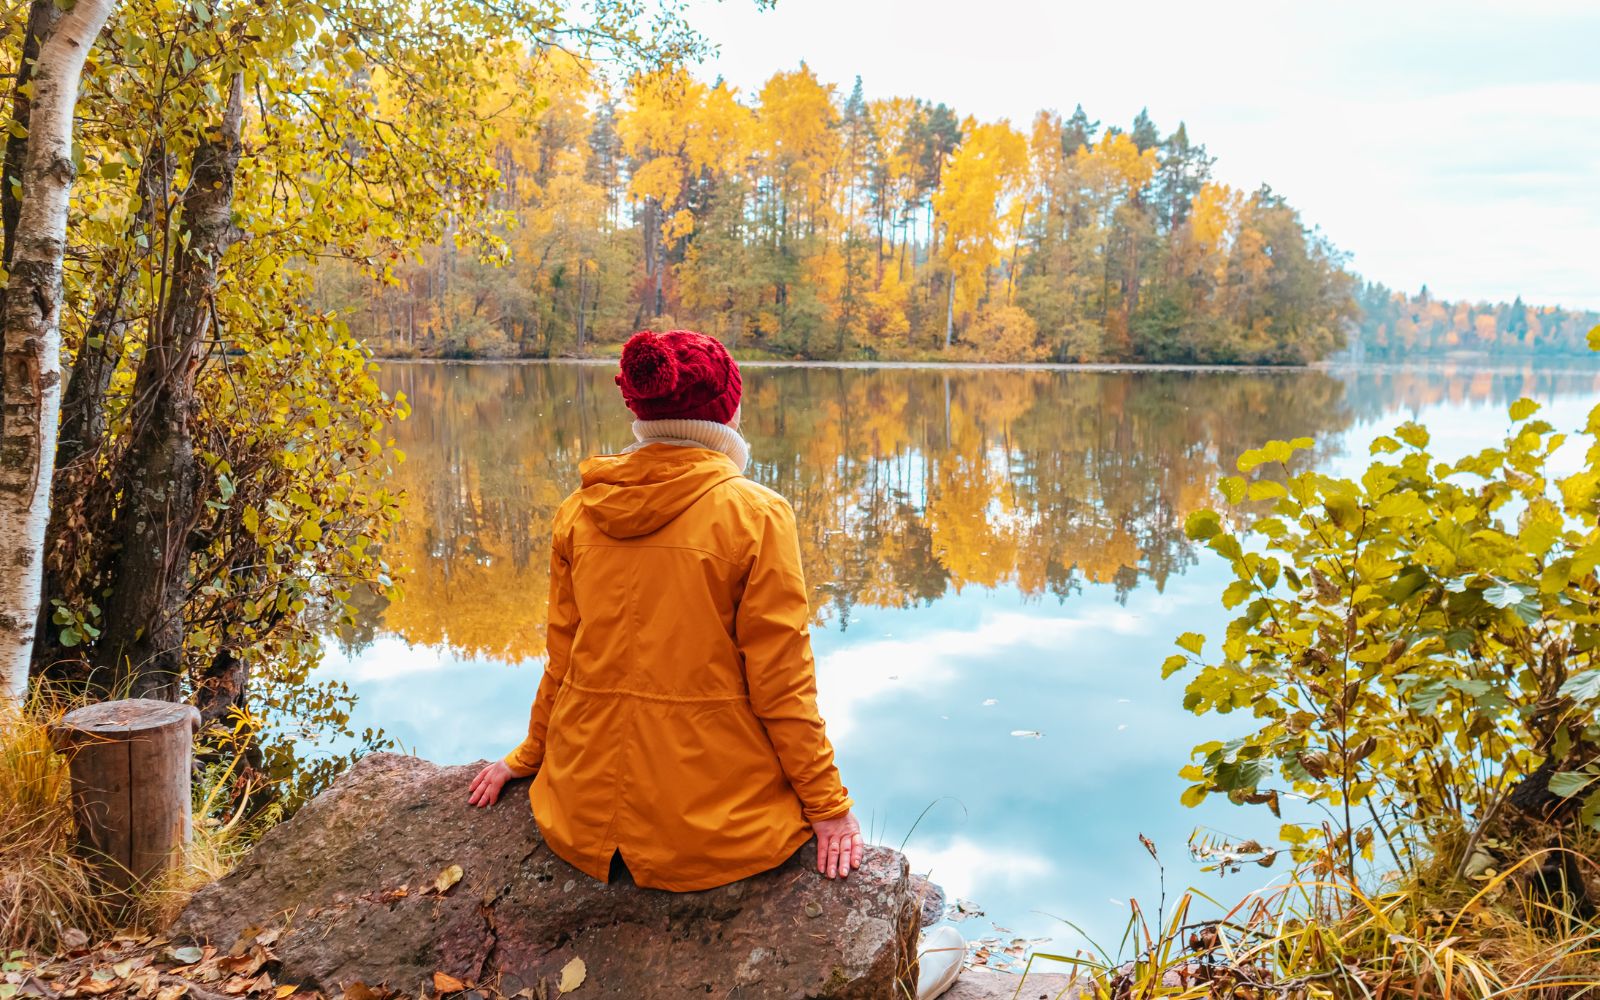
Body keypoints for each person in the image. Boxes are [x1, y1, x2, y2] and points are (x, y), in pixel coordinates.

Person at [466, 329, 863, 890]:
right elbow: (782, 683)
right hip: (709, 829)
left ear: (641, 411)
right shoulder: (758, 515)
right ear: (729, 409)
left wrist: (530, 755)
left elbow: (563, 659)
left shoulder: (579, 510)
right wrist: (828, 807)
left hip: (579, 817)